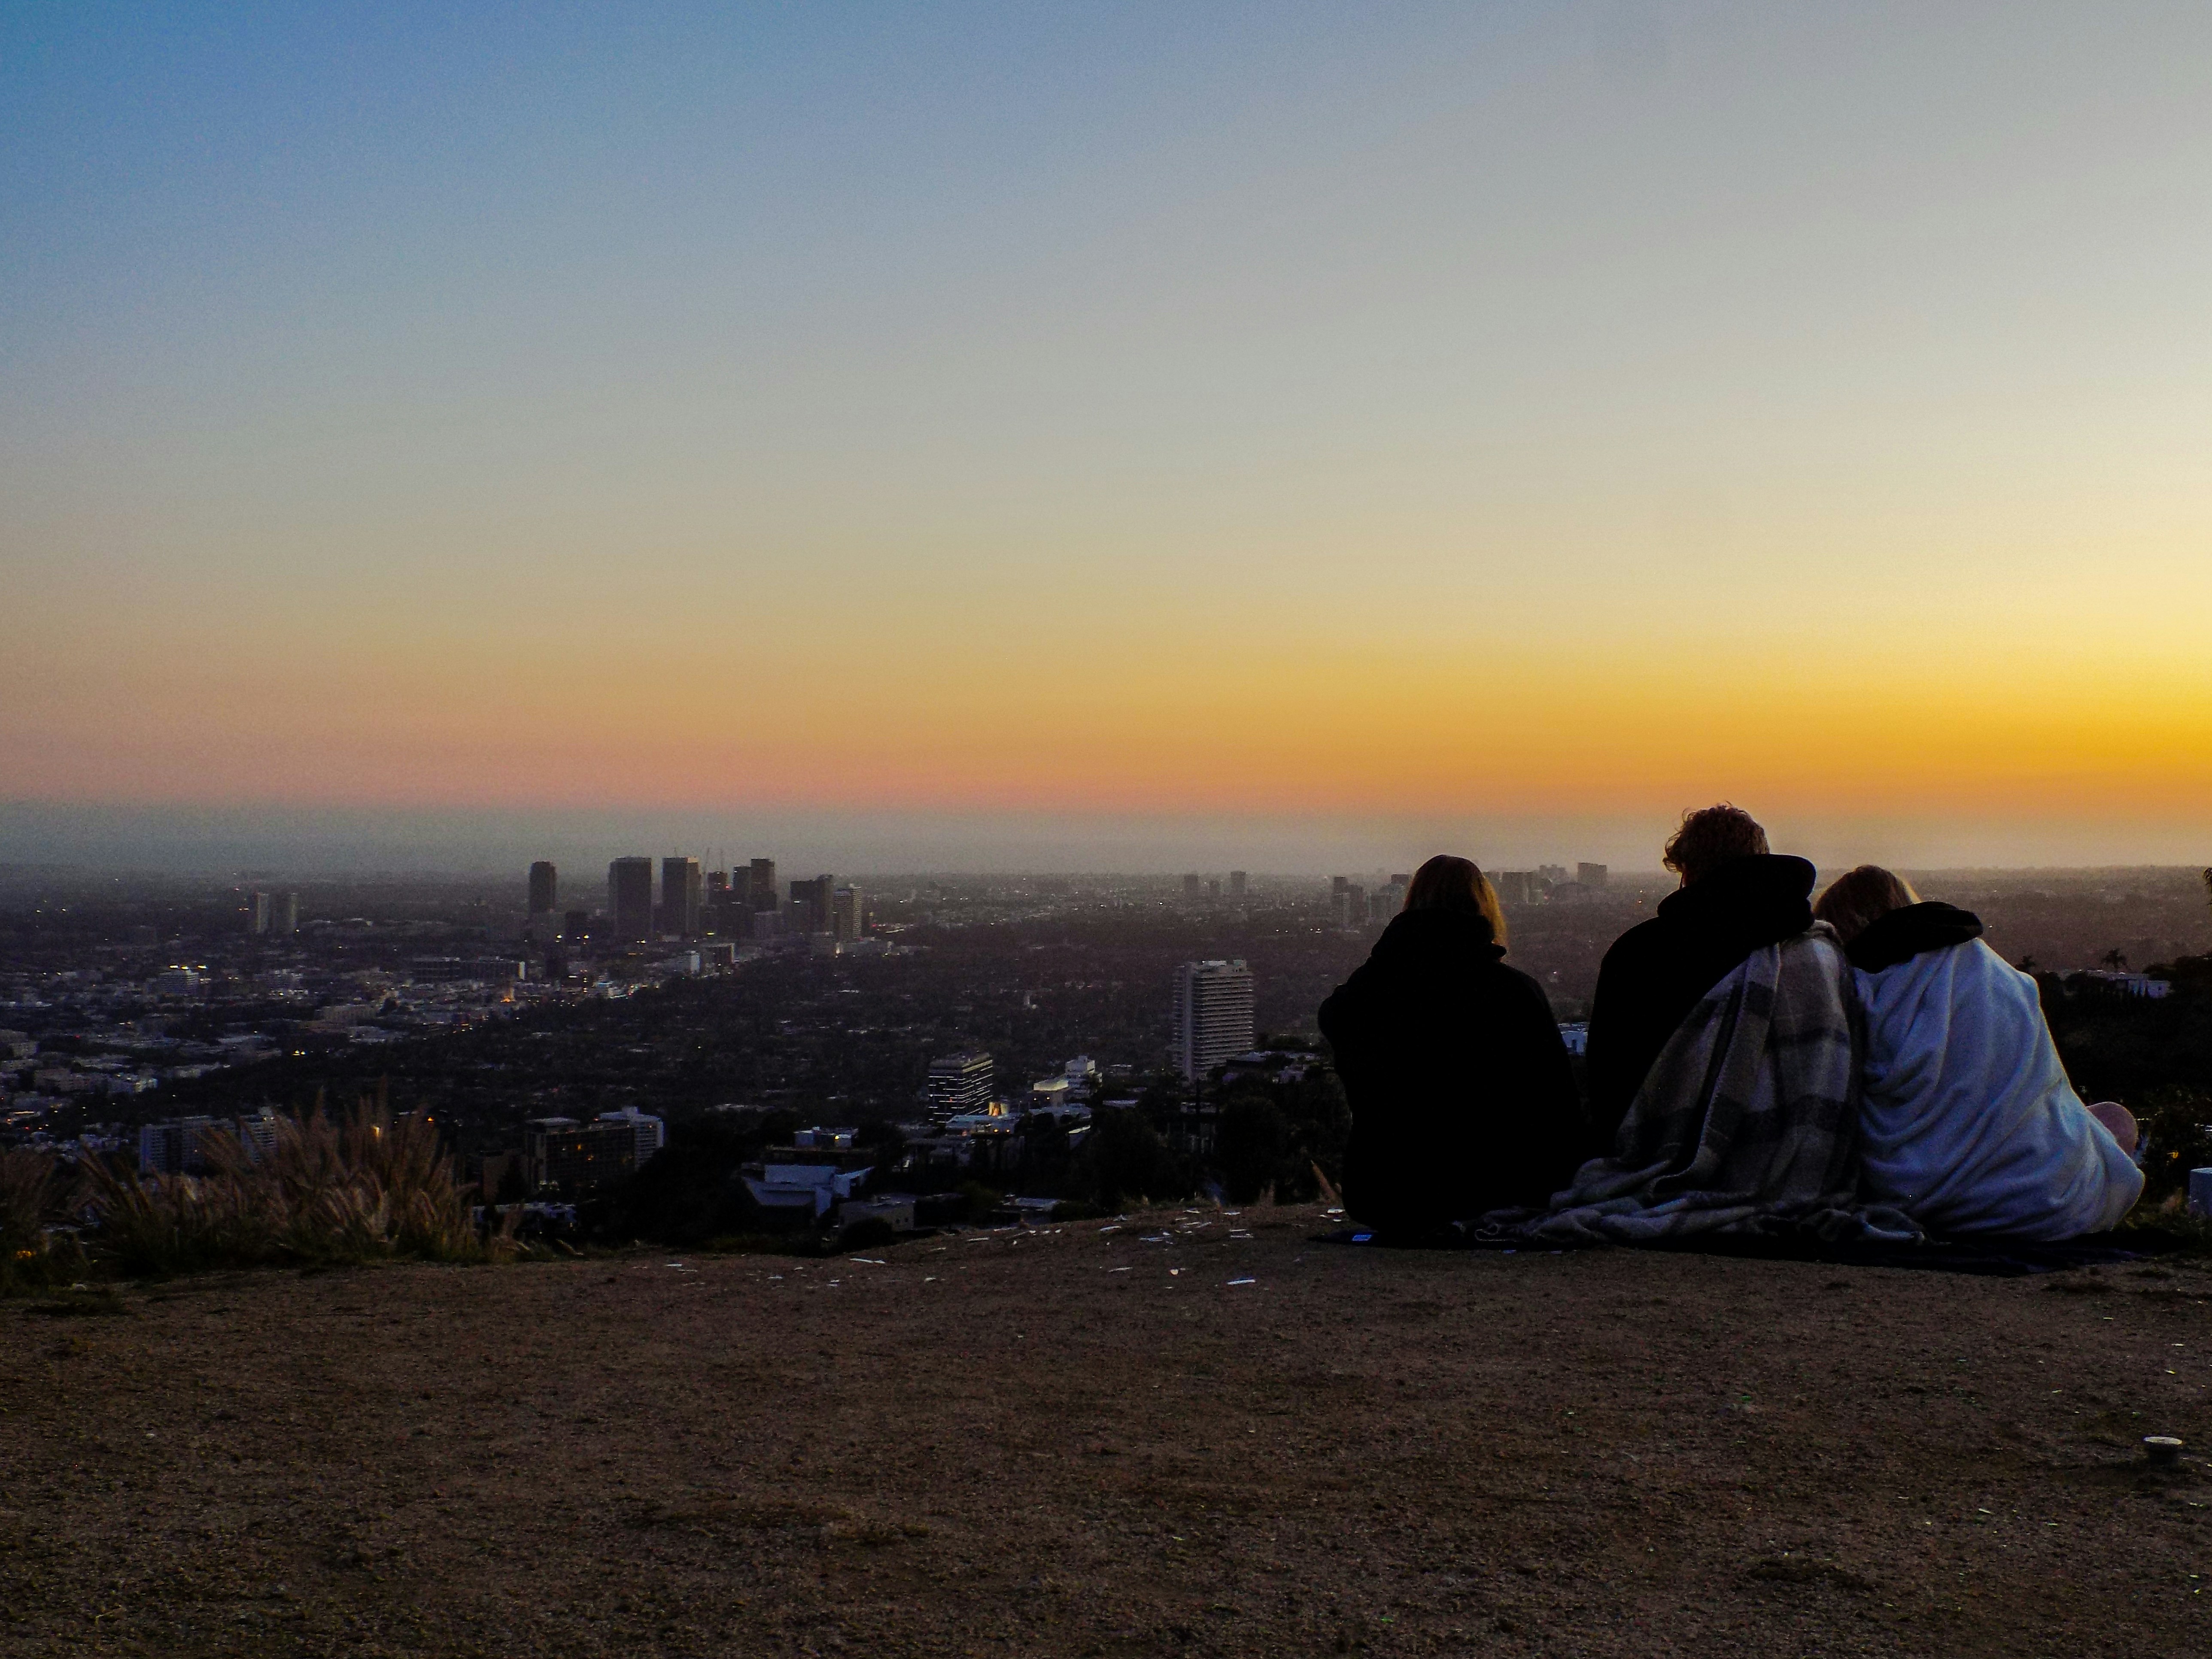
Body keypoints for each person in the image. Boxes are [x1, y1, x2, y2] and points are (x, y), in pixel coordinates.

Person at [1813, 865, 2143, 1239]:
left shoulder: (1853, 987)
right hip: (2052, 1203)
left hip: (1923, 1198)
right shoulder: (1996, 974)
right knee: (2115, 1120)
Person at [1318, 855, 1586, 1237]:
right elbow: (1560, 1112)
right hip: (1493, 1191)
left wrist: (1385, 961)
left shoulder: (1367, 996)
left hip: (1383, 1194)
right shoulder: (1513, 994)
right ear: (1483, 906)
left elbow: (1334, 1018)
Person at [1582, 805, 1819, 1153]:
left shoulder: (1640, 954)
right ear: (1760, 860)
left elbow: (1610, 1081)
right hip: (1790, 1148)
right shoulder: (1813, 951)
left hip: (1667, 1151)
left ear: (1689, 872)